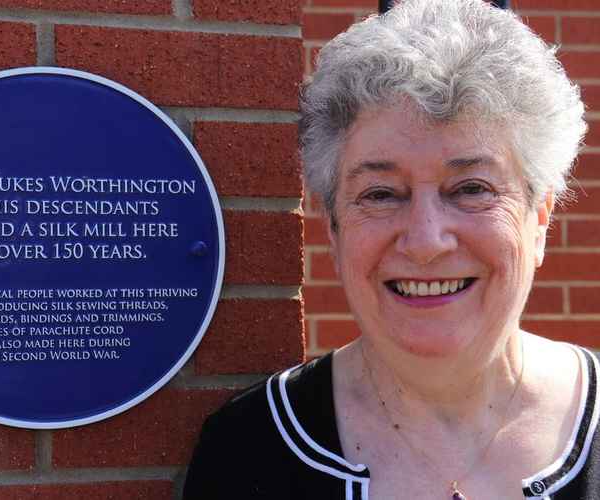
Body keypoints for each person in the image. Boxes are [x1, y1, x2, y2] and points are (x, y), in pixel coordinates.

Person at [182, 0, 598, 498]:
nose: (425, 242)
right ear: (334, 232)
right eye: (380, 194)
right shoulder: (246, 452)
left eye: (471, 188)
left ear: (540, 220)